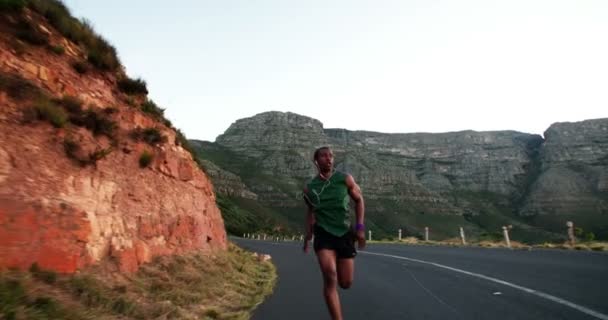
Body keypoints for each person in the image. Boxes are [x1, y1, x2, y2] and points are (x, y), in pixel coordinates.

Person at [303, 146, 366, 320]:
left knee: (345, 283)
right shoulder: (309, 188)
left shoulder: (345, 179)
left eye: (331, 156)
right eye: (324, 156)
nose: (329, 159)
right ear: (316, 160)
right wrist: (308, 234)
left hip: (345, 234)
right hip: (323, 235)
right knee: (330, 275)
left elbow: (359, 200)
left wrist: (360, 228)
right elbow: (310, 211)